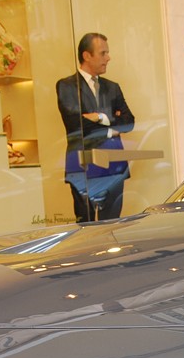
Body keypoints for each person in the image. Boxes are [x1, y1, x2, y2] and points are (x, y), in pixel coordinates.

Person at [56, 32, 135, 222]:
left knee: (113, 226)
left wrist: (100, 118)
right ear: (87, 55)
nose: (108, 58)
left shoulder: (113, 87)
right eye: (103, 53)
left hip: (114, 166)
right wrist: (112, 125)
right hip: (83, 166)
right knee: (87, 229)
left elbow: (129, 122)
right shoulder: (66, 86)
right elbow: (75, 124)